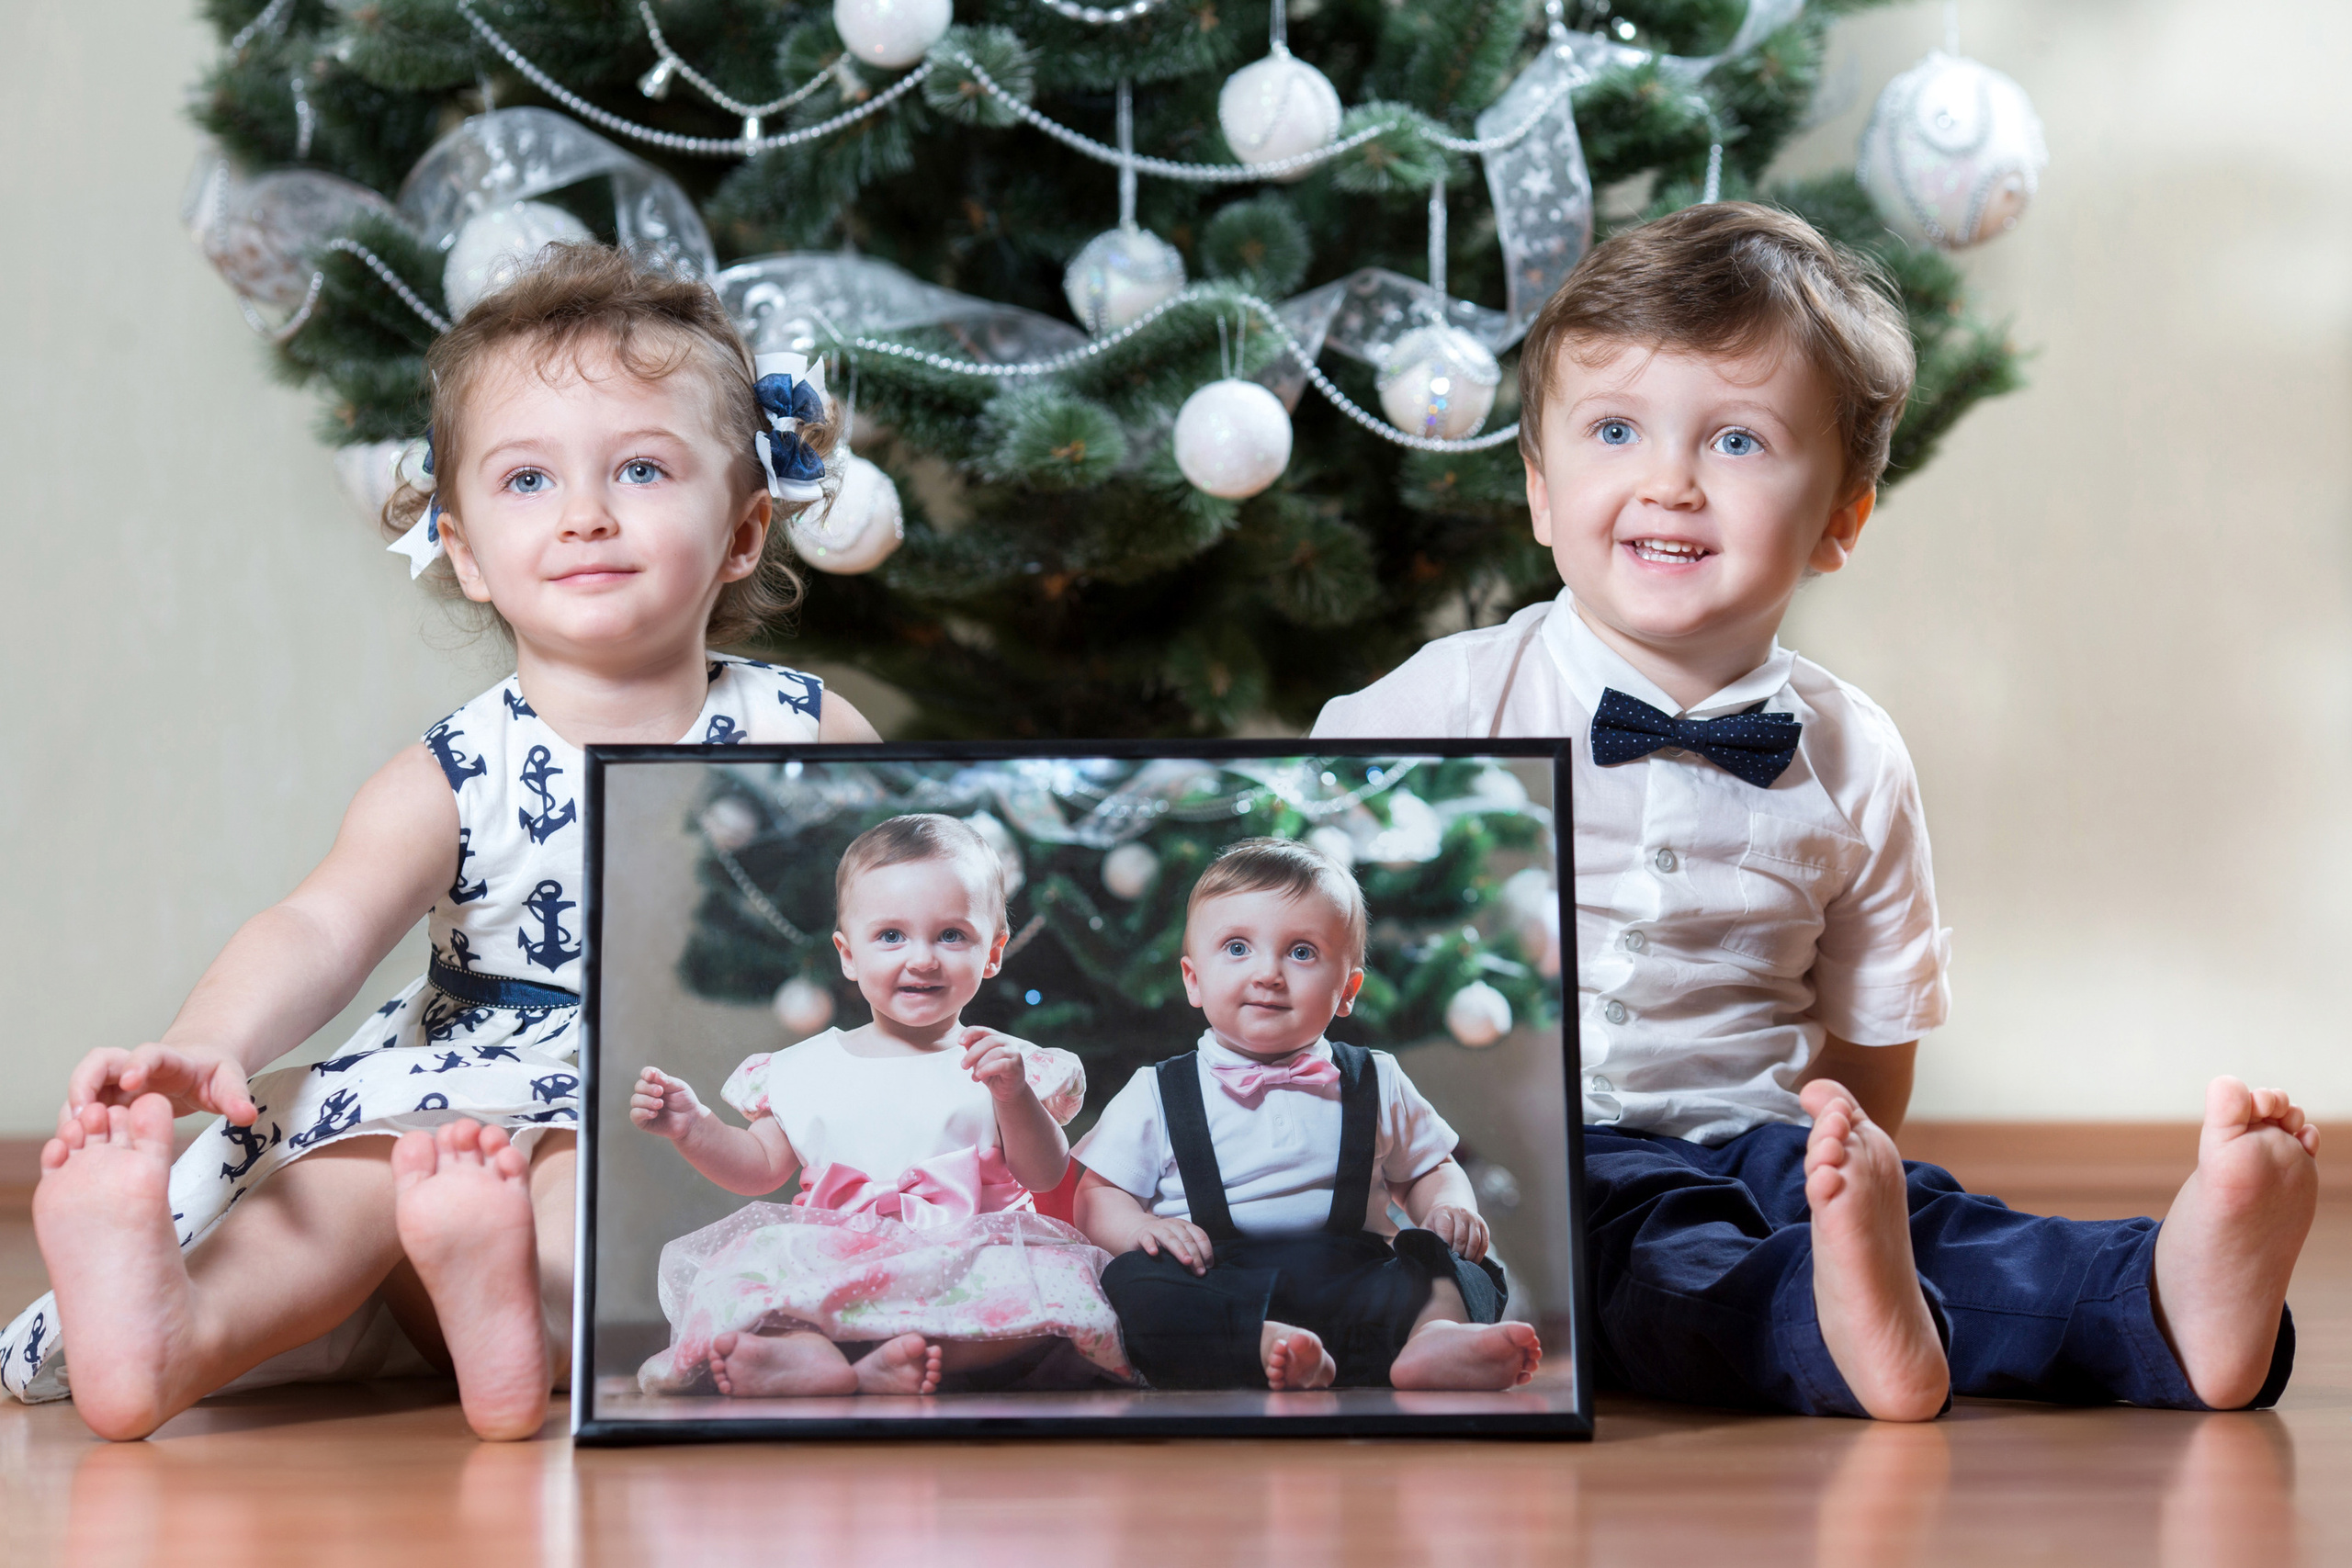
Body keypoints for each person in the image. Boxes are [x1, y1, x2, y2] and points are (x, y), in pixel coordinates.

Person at [1313, 201, 2319, 1419]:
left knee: (1946, 1222)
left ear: (1841, 517)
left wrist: (1845, 1166)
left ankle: (2162, 1295)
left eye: (1736, 441)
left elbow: (1872, 1030)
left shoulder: (1853, 754)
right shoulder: (1452, 698)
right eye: (1617, 430)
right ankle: (1837, 1315)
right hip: (1547, 1158)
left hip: (1769, 1136)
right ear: (1538, 488)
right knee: (1665, 1272)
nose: (1669, 482)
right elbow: (1308, 866)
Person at [7, 243, 882, 1440]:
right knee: (339, 1184)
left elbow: (904, 894)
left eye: (639, 467)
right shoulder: (452, 769)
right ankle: (169, 1330)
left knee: (609, 1215)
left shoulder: (807, 731)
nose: (585, 512)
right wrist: (205, 1040)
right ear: (464, 551)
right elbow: (322, 923)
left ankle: (504, 1324)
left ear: (739, 532)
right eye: (528, 480)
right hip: (447, 1088)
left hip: (667, 1092)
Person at [631, 814, 1129, 1396]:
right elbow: (757, 1168)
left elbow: (1044, 1173)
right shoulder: (803, 1070)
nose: (922, 959)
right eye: (891, 936)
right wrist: (694, 1128)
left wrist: (1014, 1096)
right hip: (833, 1255)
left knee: (1042, 1300)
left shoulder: (1005, 1064)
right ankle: (815, 1359)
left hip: (967, 1255)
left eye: (952, 936)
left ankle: (897, 1359)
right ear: (848, 954)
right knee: (752, 1285)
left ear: (993, 953)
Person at [1072, 837, 1544, 1393]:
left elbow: (1428, 1168)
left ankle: (1431, 1337)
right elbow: (1097, 1196)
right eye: (1237, 948)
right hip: (1221, 1280)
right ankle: (1263, 1346)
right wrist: (1144, 1227)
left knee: (1461, 1264)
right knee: (1134, 1282)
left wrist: (1448, 1206)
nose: (1268, 973)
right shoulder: (1156, 1091)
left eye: (1301, 952)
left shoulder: (1375, 1078)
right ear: (1193, 979)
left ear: (1347, 990)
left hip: (1356, 1277)